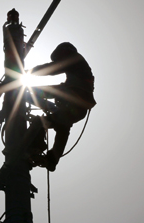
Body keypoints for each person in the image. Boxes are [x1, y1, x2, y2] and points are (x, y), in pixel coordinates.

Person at [25, 42, 96, 171]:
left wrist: (29, 72)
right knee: (62, 126)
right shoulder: (78, 69)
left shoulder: (74, 59)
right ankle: (52, 159)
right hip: (77, 108)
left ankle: (35, 145)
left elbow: (53, 69)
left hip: (74, 98)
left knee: (46, 93)